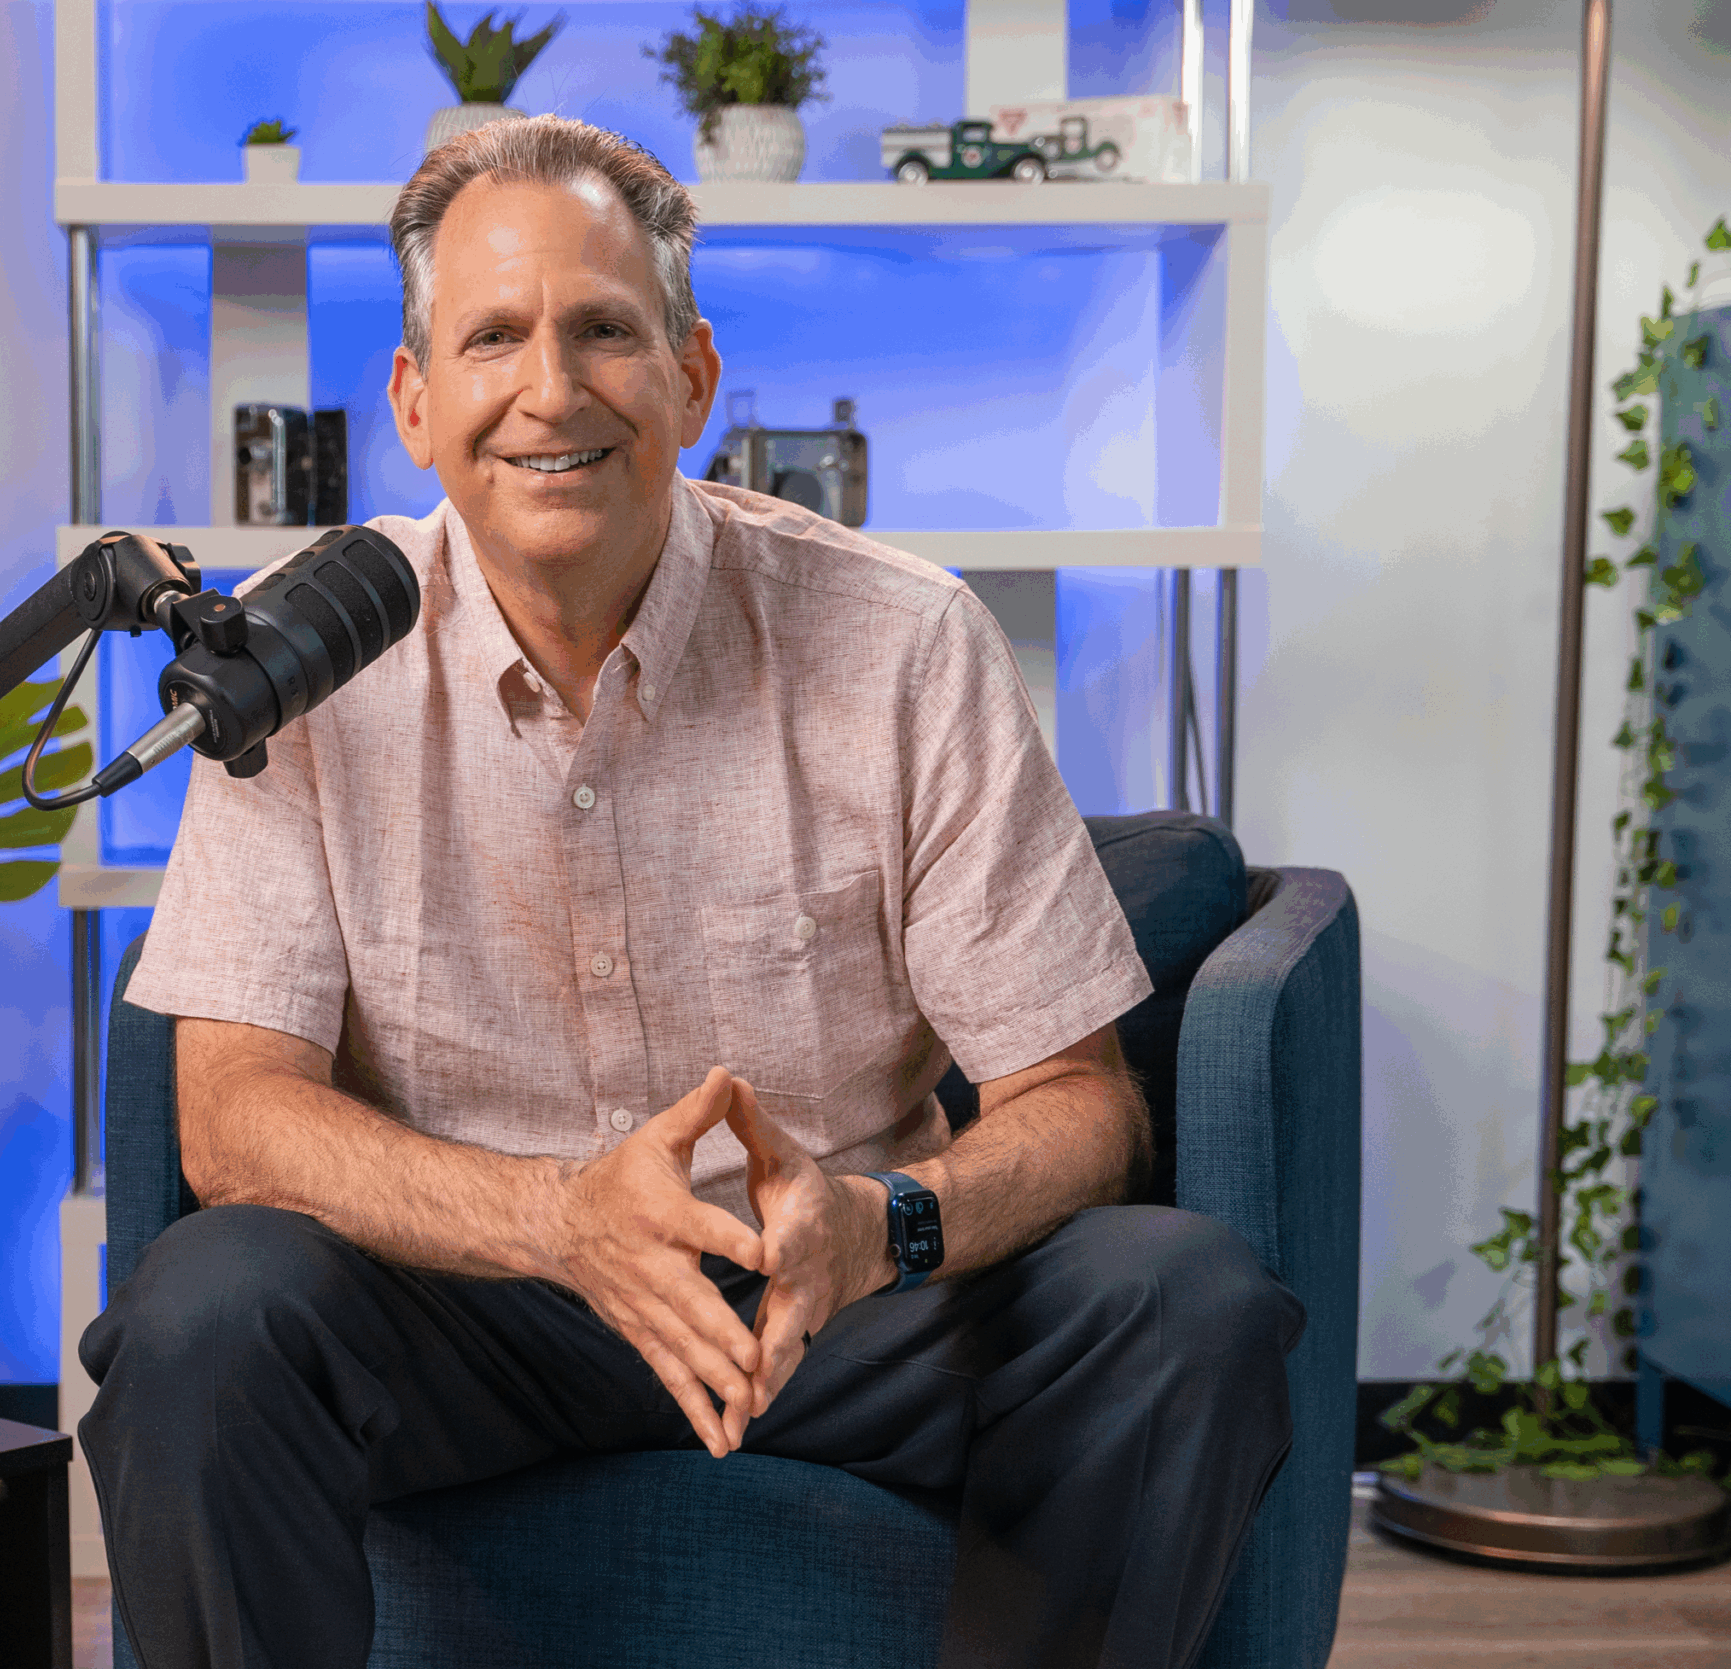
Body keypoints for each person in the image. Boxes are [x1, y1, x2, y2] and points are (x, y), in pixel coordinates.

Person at [80, 115, 1302, 1669]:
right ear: (414, 400)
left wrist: (880, 1224)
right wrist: (555, 1219)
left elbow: (1080, 1102)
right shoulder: (294, 654)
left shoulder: (904, 641)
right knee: (206, 1314)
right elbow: (234, 1114)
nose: (551, 390)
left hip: (828, 1301)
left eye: (605, 330)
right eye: (493, 338)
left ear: (693, 377)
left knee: (1184, 1300)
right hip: (474, 1300)